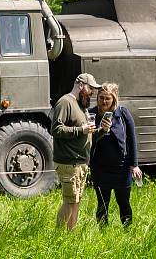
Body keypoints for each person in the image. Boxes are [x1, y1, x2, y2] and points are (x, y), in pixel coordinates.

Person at [51, 72, 102, 231]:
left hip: (80, 162)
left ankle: (70, 234)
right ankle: (60, 236)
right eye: (90, 88)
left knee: (76, 200)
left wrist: (101, 130)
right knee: (70, 201)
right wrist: (81, 130)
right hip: (69, 162)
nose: (92, 92)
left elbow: (85, 131)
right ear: (81, 85)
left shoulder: (81, 105)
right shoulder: (65, 102)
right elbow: (56, 129)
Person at [89, 82, 142, 226]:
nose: (104, 101)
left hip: (121, 168)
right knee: (102, 204)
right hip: (100, 169)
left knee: (123, 202)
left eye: (107, 98)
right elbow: (87, 141)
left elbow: (132, 140)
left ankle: (127, 231)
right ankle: (103, 235)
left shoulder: (123, 114)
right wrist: (100, 130)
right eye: (101, 98)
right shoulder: (91, 114)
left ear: (114, 98)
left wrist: (134, 165)